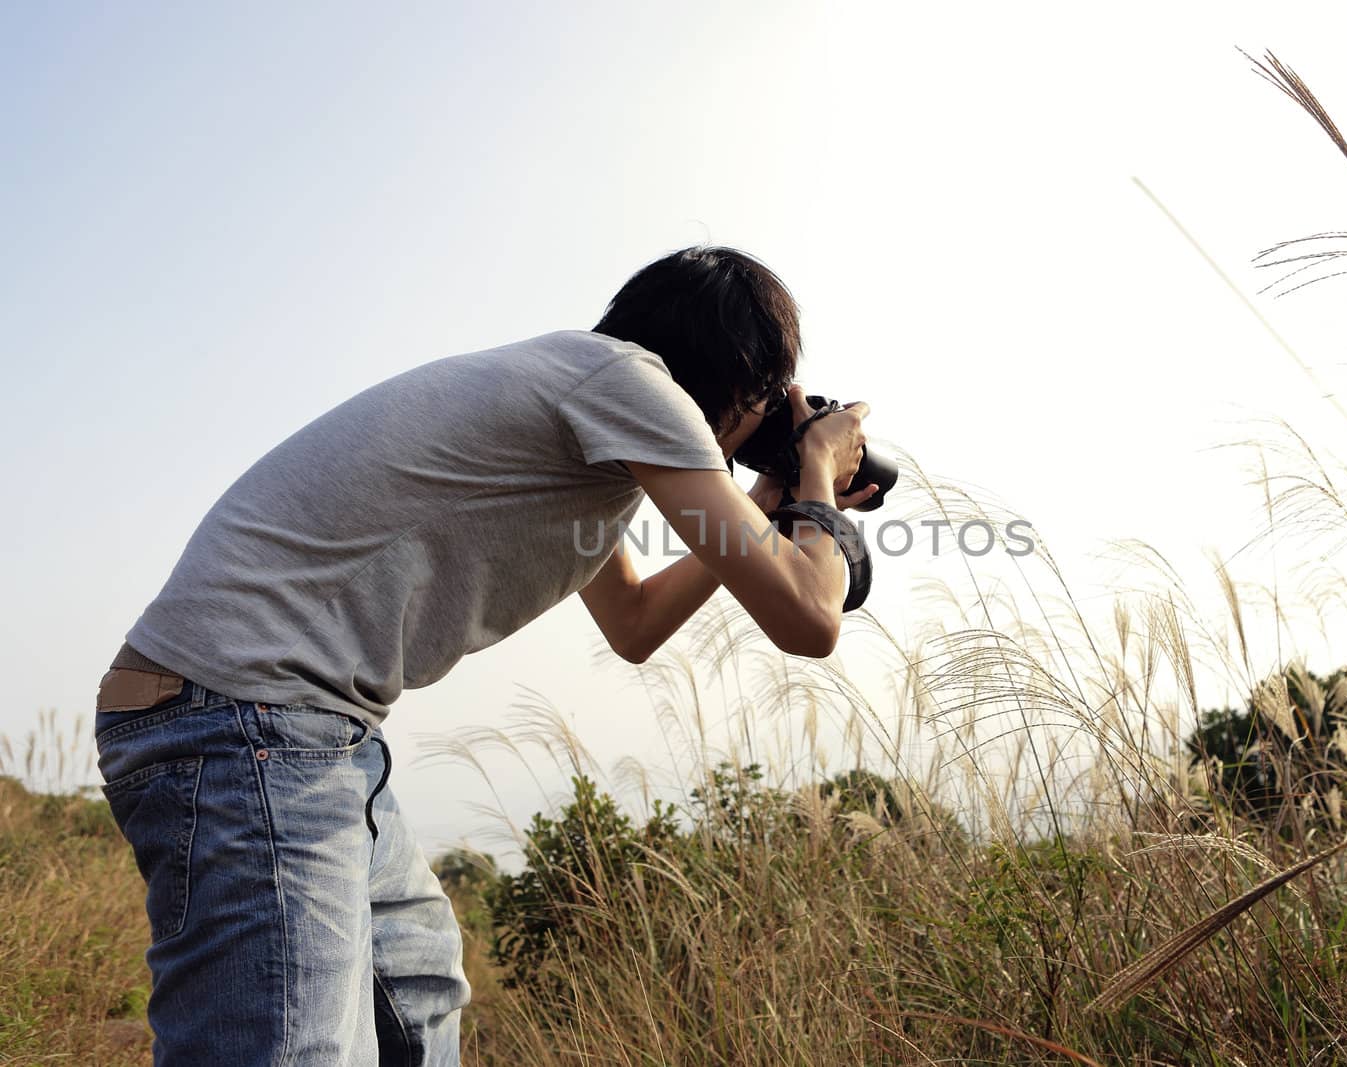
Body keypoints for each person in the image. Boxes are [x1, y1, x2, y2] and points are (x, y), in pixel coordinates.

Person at [92, 244, 877, 1065]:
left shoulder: (585, 418)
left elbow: (635, 622)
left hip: (304, 729)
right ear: (741, 380)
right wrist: (818, 466)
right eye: (765, 399)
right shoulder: (629, 384)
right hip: (246, 714)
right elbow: (807, 615)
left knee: (420, 992)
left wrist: (764, 501)